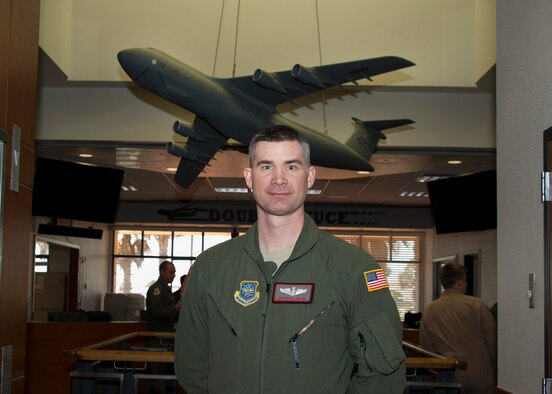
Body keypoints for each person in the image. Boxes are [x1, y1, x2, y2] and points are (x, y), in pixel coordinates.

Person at [174, 125, 405, 393]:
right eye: (266, 167)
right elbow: (192, 367)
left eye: (292, 167)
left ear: (310, 176)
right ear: (249, 177)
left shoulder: (355, 269)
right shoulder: (210, 268)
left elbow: (383, 375)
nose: (279, 179)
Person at [419, 263, 496, 394]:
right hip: (480, 374)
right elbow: (492, 341)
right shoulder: (478, 305)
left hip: (449, 375)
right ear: (459, 283)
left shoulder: (430, 310)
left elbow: (427, 348)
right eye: (465, 281)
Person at [145, 260, 181, 393]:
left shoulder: (166, 289)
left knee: (165, 375)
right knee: (157, 377)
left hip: (165, 338)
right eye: (171, 272)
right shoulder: (156, 290)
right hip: (156, 339)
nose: (173, 275)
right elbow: (156, 312)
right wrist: (175, 308)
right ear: (162, 272)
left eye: (174, 272)